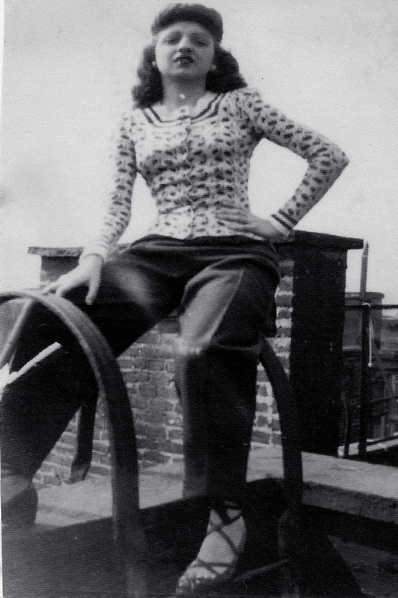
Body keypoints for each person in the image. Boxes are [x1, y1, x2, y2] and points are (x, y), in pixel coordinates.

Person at [1, 3, 349, 594]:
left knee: (203, 351)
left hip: (233, 252)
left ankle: (225, 515)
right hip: (157, 251)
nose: (184, 46)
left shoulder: (241, 103)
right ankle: (9, 468)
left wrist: (281, 221)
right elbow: (116, 206)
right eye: (172, 39)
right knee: (46, 317)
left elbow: (328, 154)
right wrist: (91, 258)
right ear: (155, 54)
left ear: (215, 56)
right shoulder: (135, 120)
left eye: (199, 40)